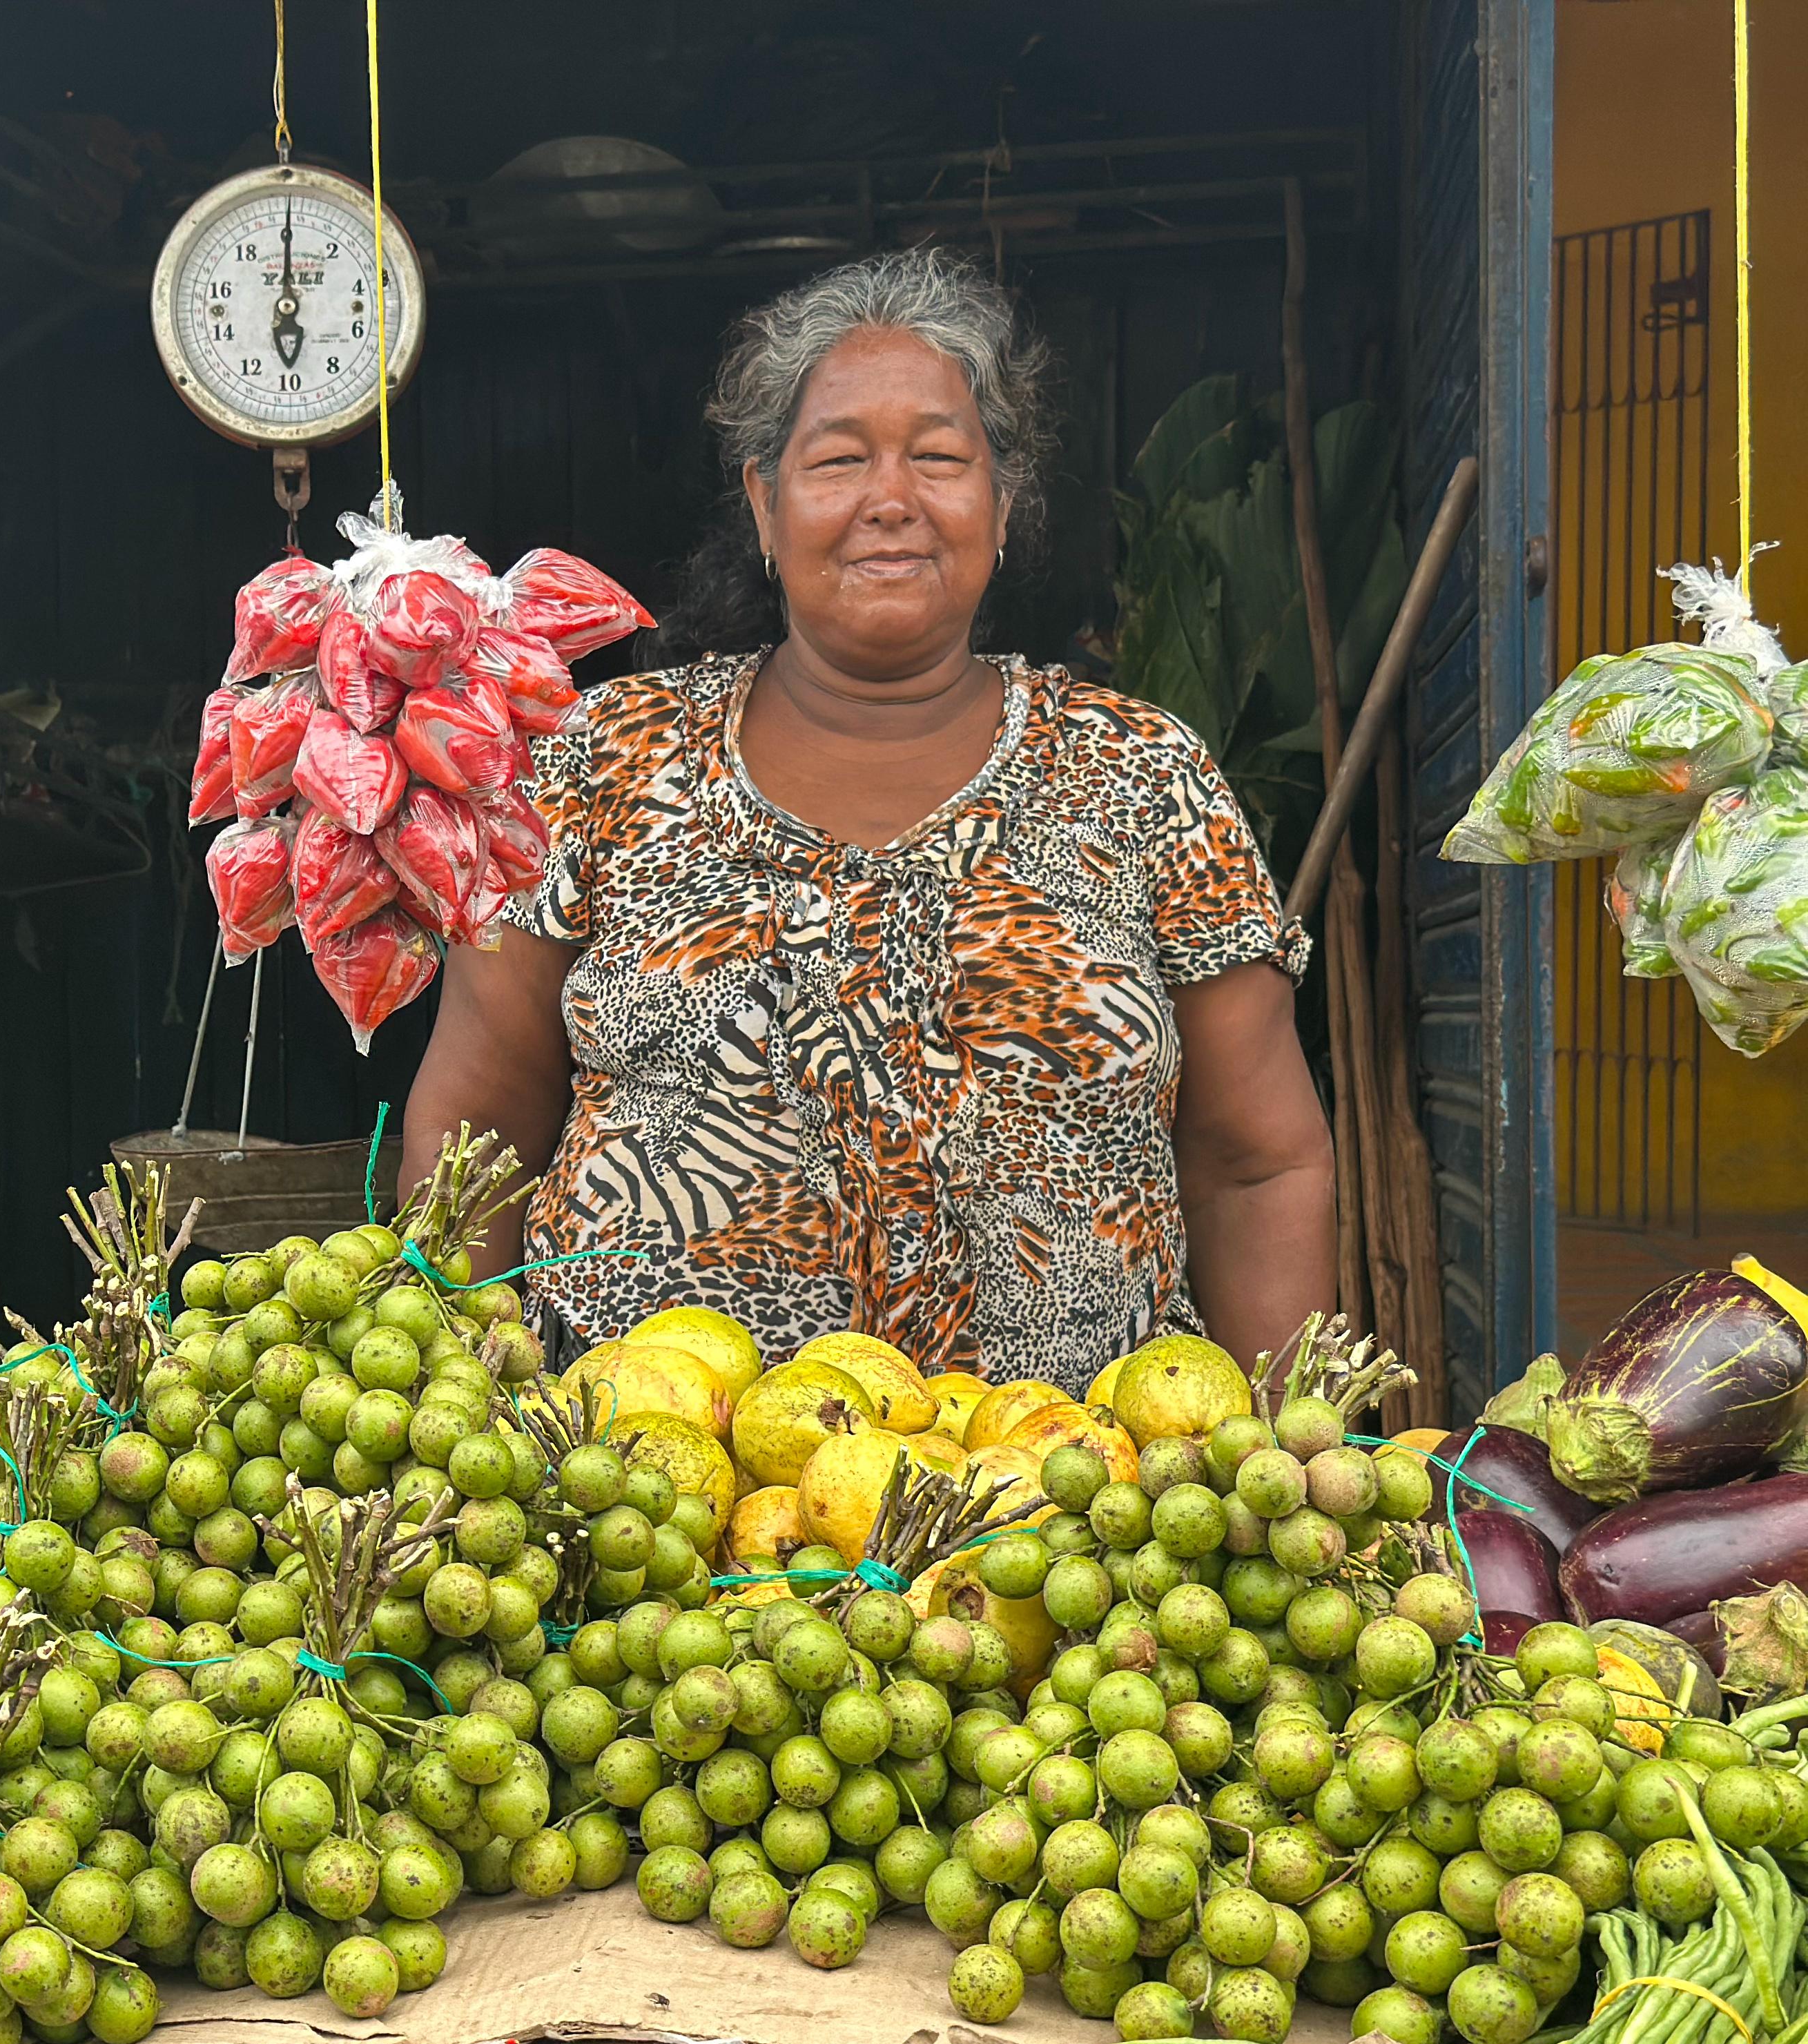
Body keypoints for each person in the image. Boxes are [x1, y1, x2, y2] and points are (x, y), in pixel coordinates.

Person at [400, 248, 1334, 1390]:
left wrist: (1290, 1451)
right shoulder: (599, 759)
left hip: (1078, 1515)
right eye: (839, 459)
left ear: (1003, 506)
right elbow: (476, 1128)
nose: (890, 500)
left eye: (940, 458)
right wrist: (453, 1422)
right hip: (645, 1512)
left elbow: (1254, 1167)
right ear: (763, 503)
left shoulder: (1142, 776)